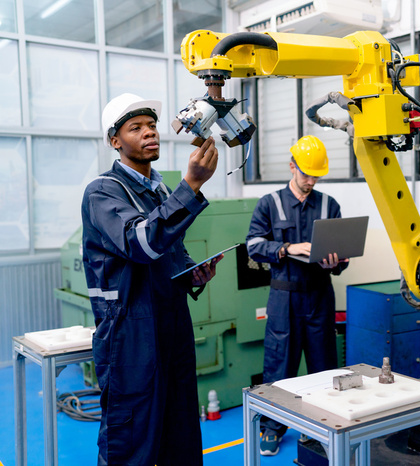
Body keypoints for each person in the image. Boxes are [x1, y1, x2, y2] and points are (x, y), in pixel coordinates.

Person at [82, 93, 221, 465]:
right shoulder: (103, 191)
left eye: (152, 126)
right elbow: (140, 243)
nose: (150, 133)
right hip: (130, 334)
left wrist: (193, 272)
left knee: (180, 433)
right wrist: (190, 186)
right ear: (115, 141)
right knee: (132, 440)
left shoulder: (158, 189)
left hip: (172, 323)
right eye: (136, 128)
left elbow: (169, 251)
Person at [246, 135, 349, 456]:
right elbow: (252, 247)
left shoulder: (329, 204)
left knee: (325, 367)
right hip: (283, 299)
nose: (310, 180)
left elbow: (342, 254)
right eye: (305, 173)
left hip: (320, 296)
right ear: (292, 166)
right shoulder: (269, 203)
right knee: (279, 365)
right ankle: (272, 428)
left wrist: (338, 261)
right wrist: (287, 248)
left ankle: (323, 430)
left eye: (316, 175)